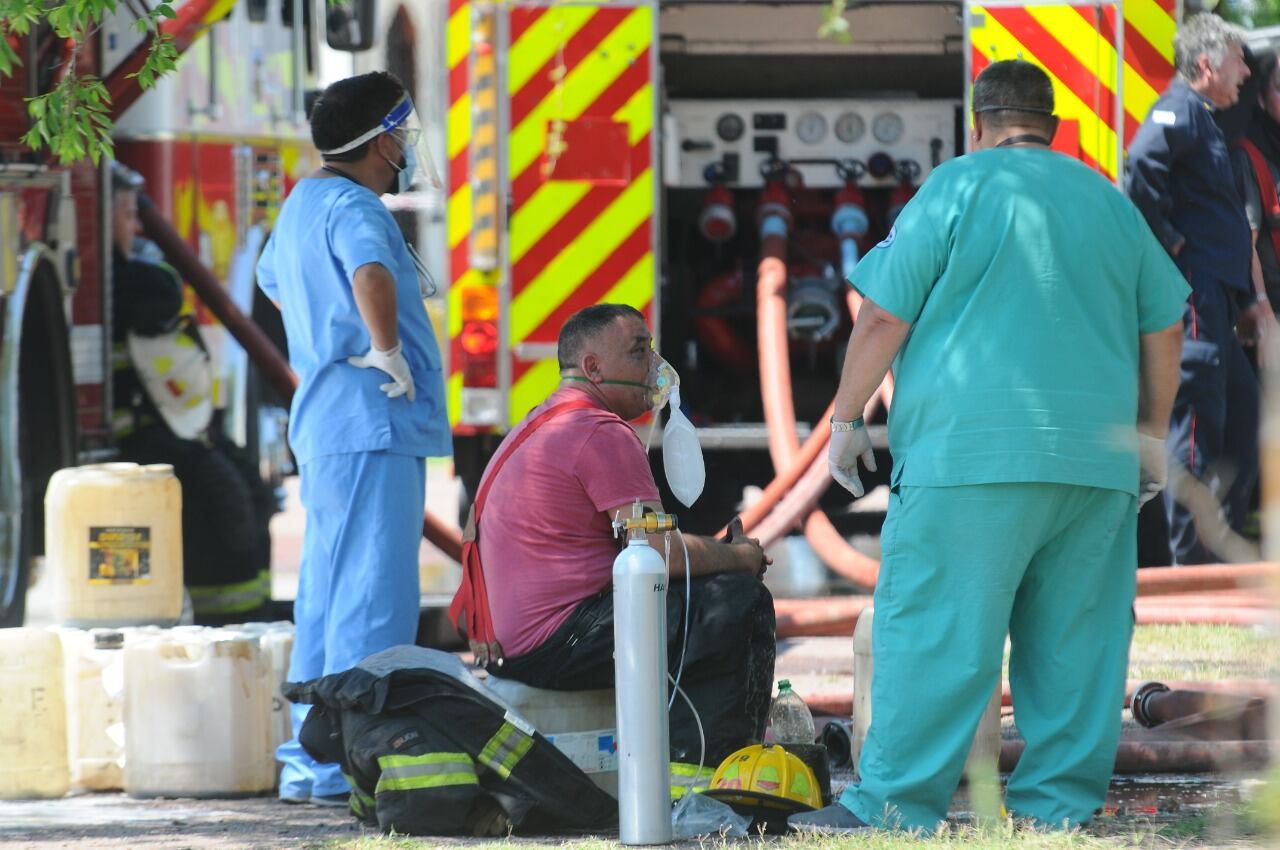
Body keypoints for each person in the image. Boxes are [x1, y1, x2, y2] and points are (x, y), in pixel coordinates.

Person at [788, 60, 1188, 833]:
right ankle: (1056, 810)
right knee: (1078, 643)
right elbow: (1166, 324)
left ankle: (893, 809)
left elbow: (879, 318)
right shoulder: (1109, 203)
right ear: (1056, 128)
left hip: (968, 461)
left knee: (938, 634)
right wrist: (1148, 438)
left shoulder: (955, 187)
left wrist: (845, 419)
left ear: (977, 124)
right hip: (1095, 468)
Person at [452, 303, 775, 796]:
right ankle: (704, 780)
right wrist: (741, 558)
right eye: (638, 352)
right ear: (594, 368)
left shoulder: (540, 423)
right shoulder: (599, 433)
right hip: (557, 644)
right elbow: (659, 554)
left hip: (518, 647)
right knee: (736, 601)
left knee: (698, 593)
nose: (655, 367)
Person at [255, 71, 450, 805]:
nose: (408, 142)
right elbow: (370, 270)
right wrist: (384, 347)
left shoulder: (303, 203)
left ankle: (311, 761)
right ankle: (356, 759)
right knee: (373, 594)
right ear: (384, 139)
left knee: (326, 593)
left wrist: (323, 330)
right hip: (373, 415)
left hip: (329, 417)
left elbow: (275, 282)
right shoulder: (355, 205)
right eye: (402, 129)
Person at [109, 163, 275, 623]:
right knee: (219, 500)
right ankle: (221, 626)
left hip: (172, 428)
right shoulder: (112, 283)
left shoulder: (137, 273)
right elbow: (152, 296)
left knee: (249, 488)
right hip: (141, 437)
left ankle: (253, 619)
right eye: (125, 214)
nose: (133, 225)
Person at [1126, 13, 1261, 565]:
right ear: (1206, 64)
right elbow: (1139, 168)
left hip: (1218, 302)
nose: (1246, 72)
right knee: (1197, 431)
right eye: (1237, 60)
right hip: (1195, 298)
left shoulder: (1204, 117)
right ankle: (1192, 568)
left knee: (1245, 423)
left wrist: (1247, 301)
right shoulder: (1176, 110)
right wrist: (1171, 244)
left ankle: (1217, 549)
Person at [1231, 49, 1280, 334]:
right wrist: (1260, 306)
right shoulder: (1247, 157)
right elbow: (1245, 242)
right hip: (1273, 316)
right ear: (1262, 99)